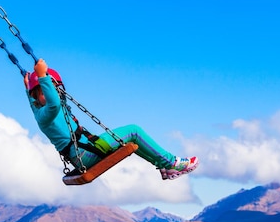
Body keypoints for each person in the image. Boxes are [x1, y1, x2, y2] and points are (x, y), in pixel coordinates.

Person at [24, 59, 199, 180]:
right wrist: (42, 76)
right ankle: (170, 163)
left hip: (88, 148)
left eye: (54, 89)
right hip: (85, 154)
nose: (51, 94)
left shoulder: (40, 109)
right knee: (133, 131)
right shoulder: (46, 114)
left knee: (131, 140)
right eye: (45, 91)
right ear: (37, 95)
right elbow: (53, 102)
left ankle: (165, 166)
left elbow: (42, 100)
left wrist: (29, 87)